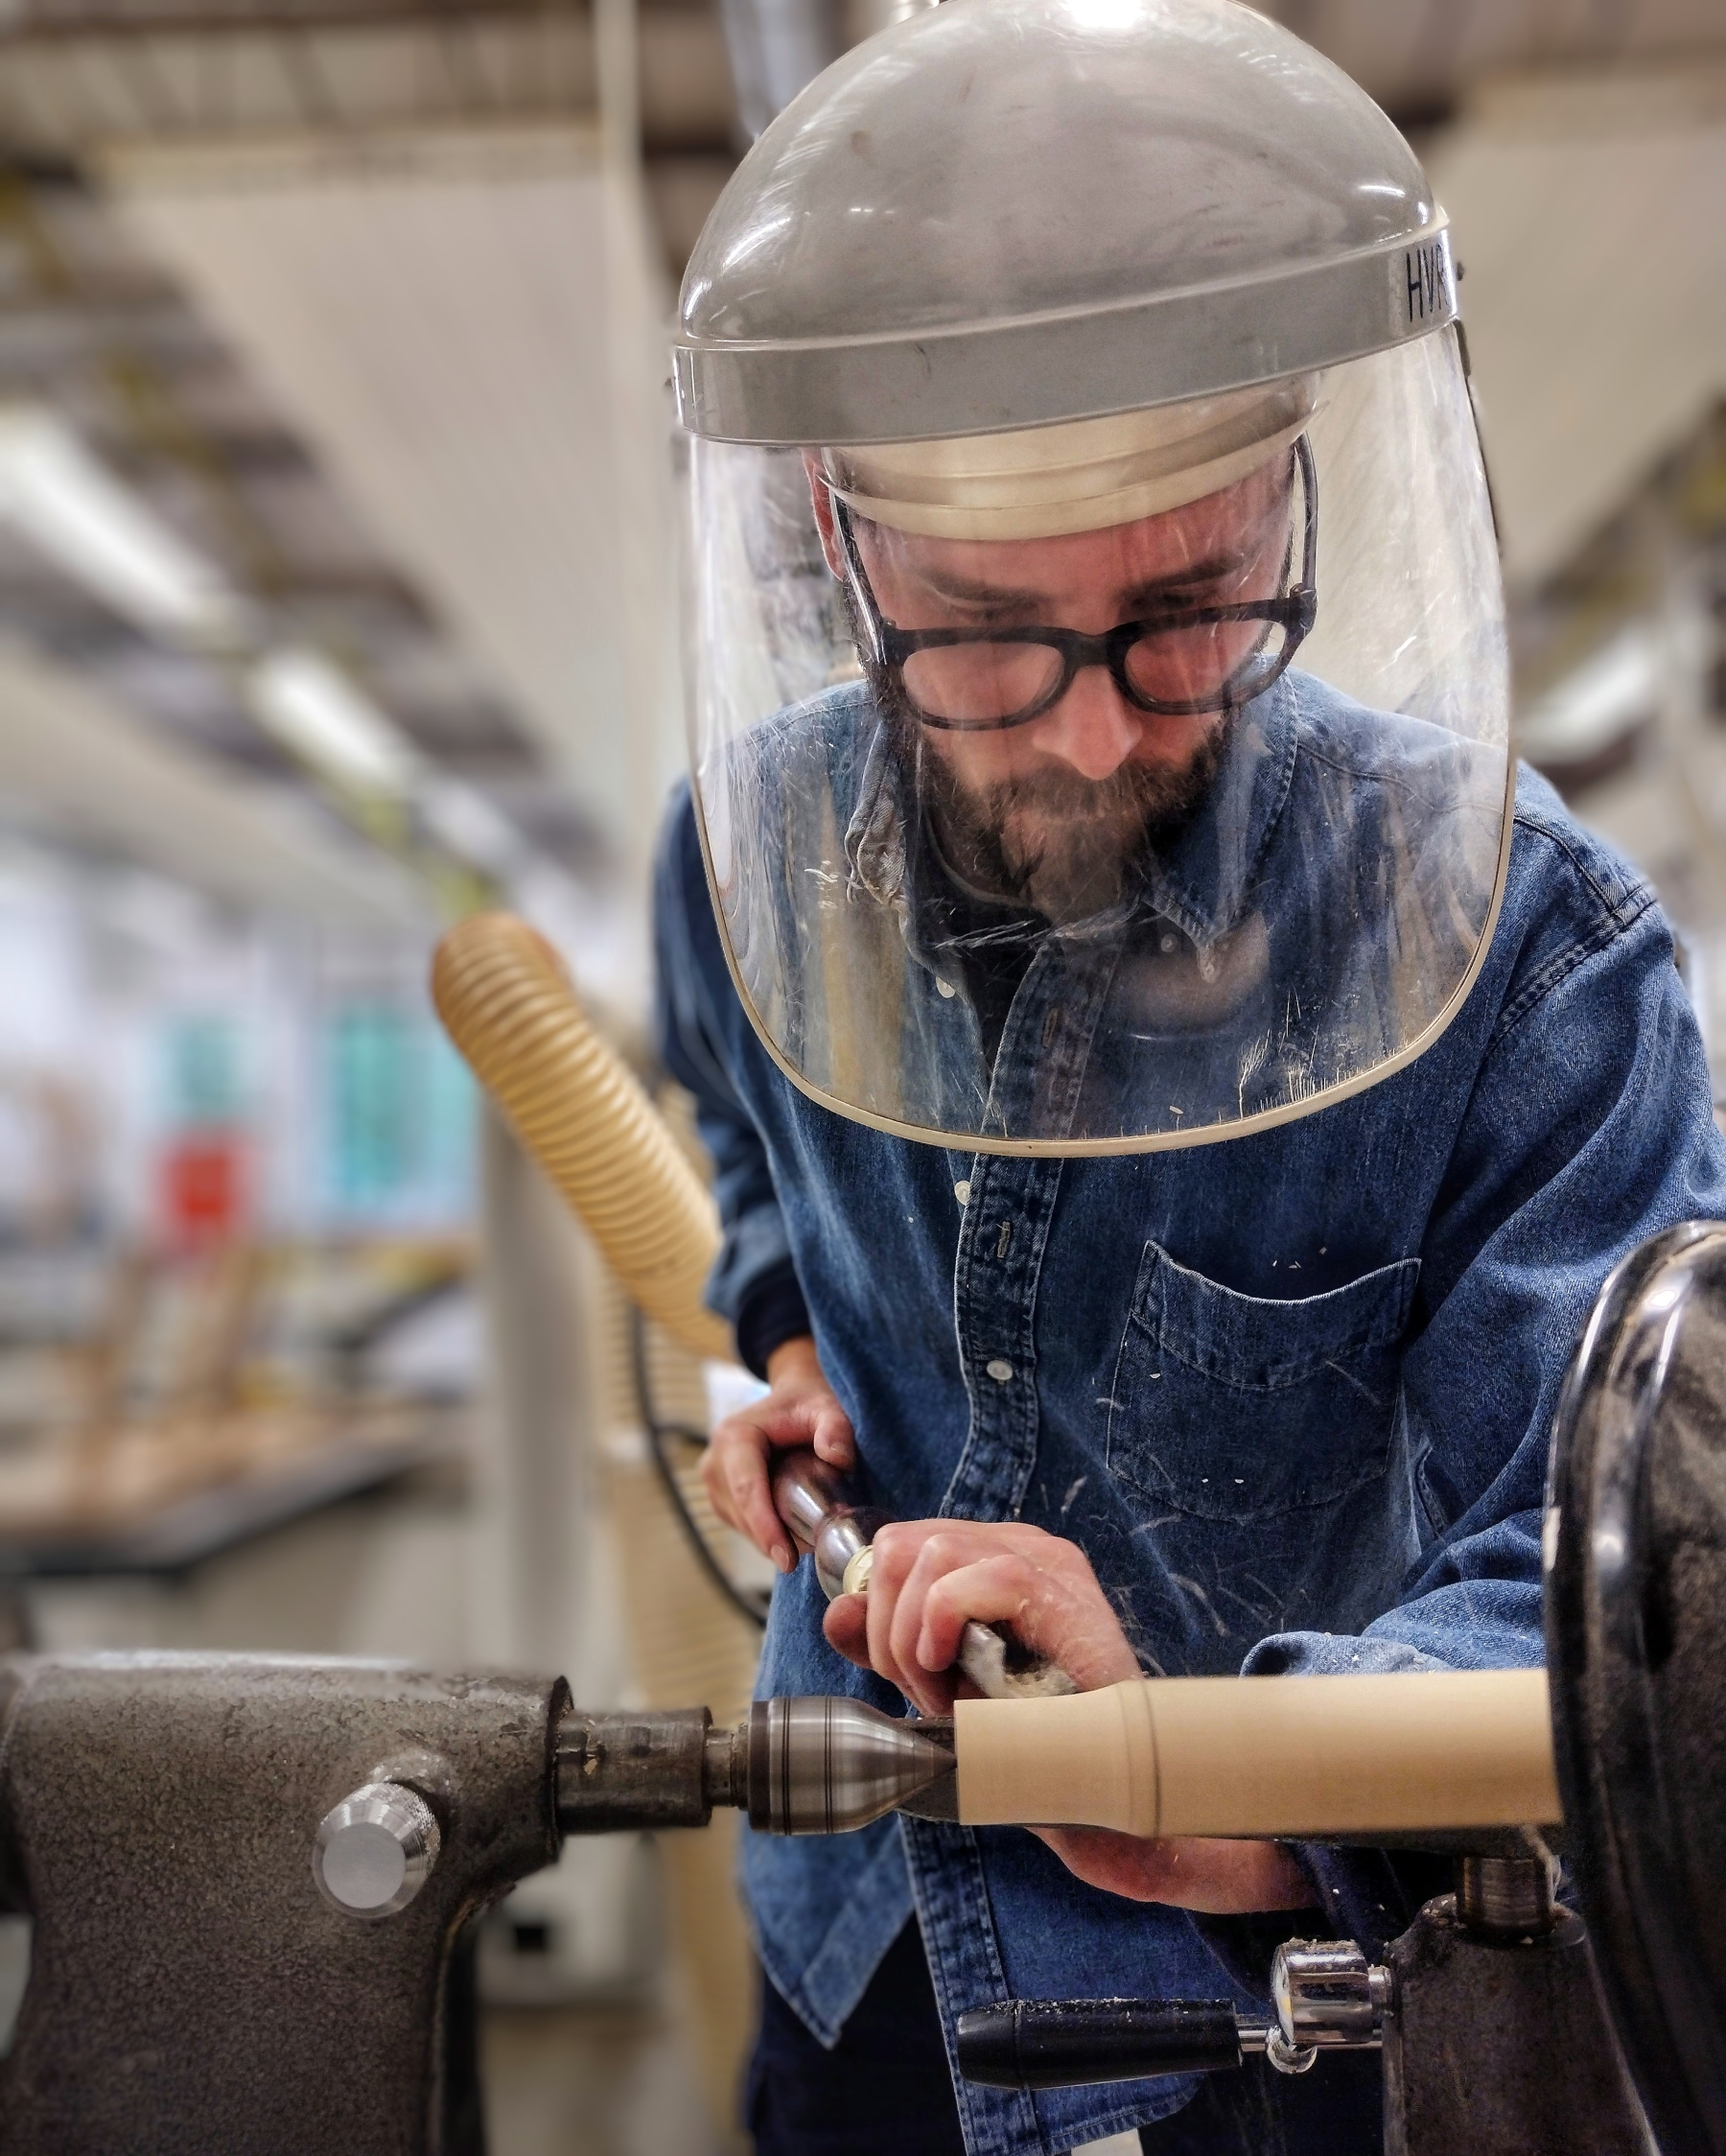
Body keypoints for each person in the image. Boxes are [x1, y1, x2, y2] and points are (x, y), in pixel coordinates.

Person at [654, 2, 1726, 2149]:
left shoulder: (1537, 957)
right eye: (978, 626)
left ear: (1290, 492)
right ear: (834, 541)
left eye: (1189, 607)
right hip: (865, 1937)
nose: (1083, 731)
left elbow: (1616, 1593)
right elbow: (744, 1134)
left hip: (1281, 2003)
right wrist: (784, 1349)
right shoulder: (748, 855)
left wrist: (1214, 1791)